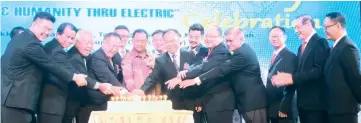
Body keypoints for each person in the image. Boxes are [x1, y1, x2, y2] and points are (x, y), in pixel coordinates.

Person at [1, 12, 87, 123]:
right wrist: (74, 77)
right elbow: (50, 64)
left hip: (14, 100)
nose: (47, 33)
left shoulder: (21, 39)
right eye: (45, 28)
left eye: (50, 30)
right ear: (34, 24)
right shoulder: (30, 43)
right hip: (16, 101)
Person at [180, 27, 267, 123]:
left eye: (231, 41)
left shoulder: (242, 54)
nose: (228, 44)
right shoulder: (241, 50)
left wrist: (195, 80)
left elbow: (221, 70)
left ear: (241, 38)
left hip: (254, 101)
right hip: (248, 101)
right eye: (227, 41)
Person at [38, 23, 114, 123]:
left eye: (72, 38)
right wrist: (99, 86)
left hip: (55, 104)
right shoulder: (57, 51)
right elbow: (72, 73)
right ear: (57, 34)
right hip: (51, 103)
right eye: (67, 37)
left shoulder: (57, 49)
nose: (69, 41)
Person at [169, 24, 235, 123]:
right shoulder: (213, 50)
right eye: (207, 36)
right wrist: (187, 72)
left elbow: (204, 67)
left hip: (220, 103)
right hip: (211, 102)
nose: (208, 39)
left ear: (221, 38)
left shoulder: (222, 52)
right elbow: (201, 64)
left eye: (212, 37)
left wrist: (184, 75)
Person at [272, 15, 330, 123]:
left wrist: (292, 78)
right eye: (295, 28)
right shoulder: (301, 47)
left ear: (308, 24)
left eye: (298, 27)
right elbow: (299, 73)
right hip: (303, 105)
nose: (296, 31)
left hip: (316, 105)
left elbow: (318, 71)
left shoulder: (320, 43)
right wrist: (285, 78)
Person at [132, 29, 197, 112]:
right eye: (167, 42)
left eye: (173, 41)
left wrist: (199, 101)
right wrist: (142, 90)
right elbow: (152, 78)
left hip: (190, 101)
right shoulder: (160, 60)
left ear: (179, 39)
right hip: (171, 102)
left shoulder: (190, 54)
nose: (170, 44)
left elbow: (197, 74)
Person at [79, 32, 128, 123]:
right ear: (104, 43)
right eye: (112, 45)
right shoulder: (97, 57)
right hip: (93, 106)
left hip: (105, 103)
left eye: (117, 47)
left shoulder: (114, 57)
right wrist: (127, 95)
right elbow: (109, 79)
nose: (114, 49)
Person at [323, 12, 361, 123]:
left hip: (345, 112)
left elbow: (356, 79)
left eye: (327, 27)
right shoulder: (336, 47)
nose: (324, 30)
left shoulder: (348, 47)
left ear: (338, 26)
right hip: (334, 110)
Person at [266, 26, 298, 123]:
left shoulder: (290, 56)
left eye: (277, 36)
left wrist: (284, 107)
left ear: (284, 37)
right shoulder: (275, 55)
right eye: (272, 36)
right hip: (274, 108)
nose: (274, 39)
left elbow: (291, 84)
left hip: (284, 111)